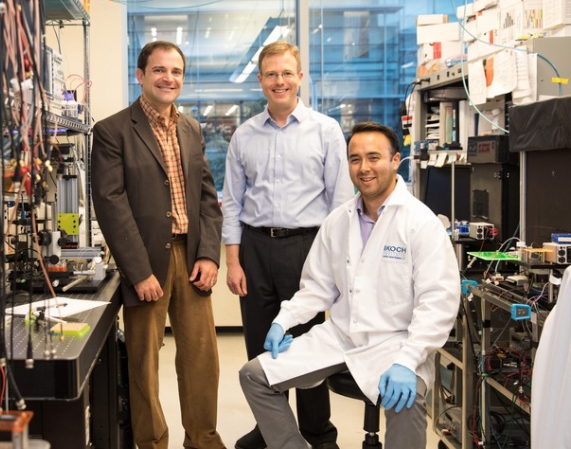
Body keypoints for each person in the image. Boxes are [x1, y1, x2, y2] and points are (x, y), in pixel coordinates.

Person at [238, 121, 461, 449]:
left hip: (396, 343)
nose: (364, 168)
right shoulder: (338, 220)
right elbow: (317, 286)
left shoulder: (419, 222)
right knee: (254, 376)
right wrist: (283, 321)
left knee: (406, 397)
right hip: (341, 337)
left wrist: (408, 358)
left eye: (374, 157)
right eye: (355, 159)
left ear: (395, 160)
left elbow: (438, 302)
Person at [91, 40, 225, 449]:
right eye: (160, 70)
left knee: (202, 360)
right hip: (146, 259)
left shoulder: (191, 128)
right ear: (140, 75)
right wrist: (138, 270)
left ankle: (202, 439)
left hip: (191, 256)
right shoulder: (112, 130)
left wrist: (208, 254)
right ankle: (151, 442)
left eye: (177, 71)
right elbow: (110, 203)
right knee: (144, 363)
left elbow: (207, 197)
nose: (169, 78)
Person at [221, 41, 353, 449]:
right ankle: (269, 430)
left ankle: (317, 432)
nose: (280, 81)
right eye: (271, 74)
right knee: (262, 342)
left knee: (310, 341)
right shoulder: (244, 135)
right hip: (255, 249)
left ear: (300, 78)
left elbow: (341, 203)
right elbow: (232, 202)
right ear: (261, 81)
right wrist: (233, 262)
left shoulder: (325, 130)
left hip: (307, 247)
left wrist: (336, 263)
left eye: (286, 73)